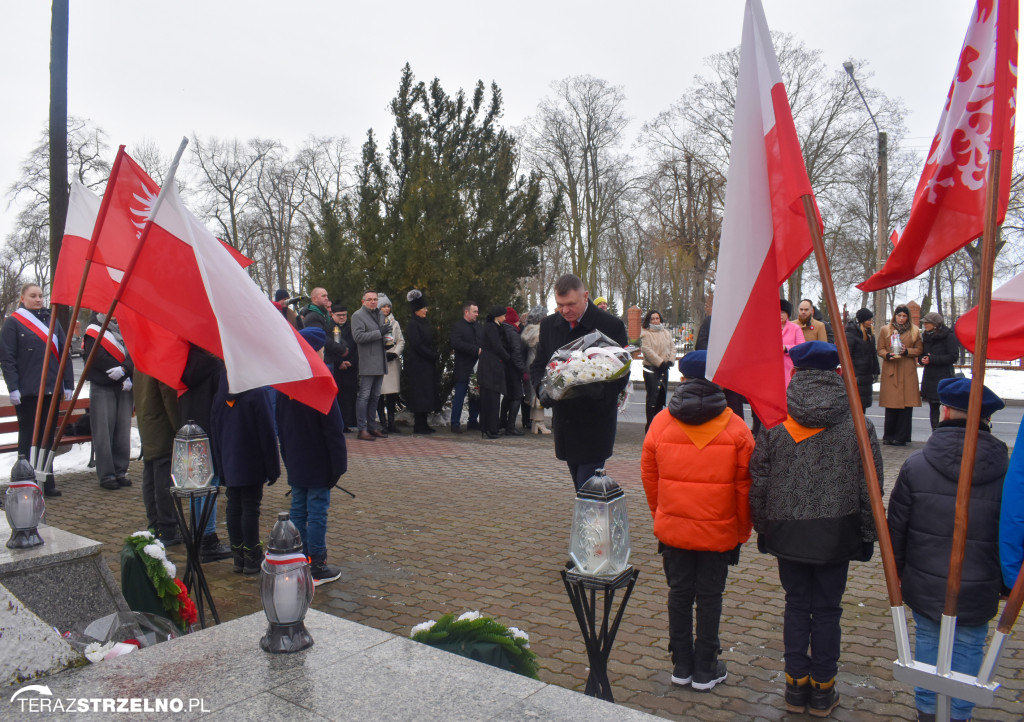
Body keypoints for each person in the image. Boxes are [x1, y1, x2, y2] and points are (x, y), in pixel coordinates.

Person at [750, 341, 882, 717]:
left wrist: (763, 527)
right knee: (827, 609)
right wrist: (868, 533)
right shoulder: (858, 422)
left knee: (796, 605)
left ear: (797, 372)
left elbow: (758, 477)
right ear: (837, 372)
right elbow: (870, 485)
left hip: (787, 530)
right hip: (837, 533)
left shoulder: (775, 419)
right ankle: (823, 689)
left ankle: (795, 686)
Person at [887, 377, 1007, 722]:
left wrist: (896, 575)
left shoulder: (916, 465)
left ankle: (927, 709)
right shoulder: (1008, 470)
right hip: (980, 581)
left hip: (924, 580)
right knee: (969, 644)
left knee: (927, 639)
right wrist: (1008, 582)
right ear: (985, 419)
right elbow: (1013, 530)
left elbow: (896, 529)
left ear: (947, 412)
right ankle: (959, 713)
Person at [641, 350, 753, 691]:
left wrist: (661, 512)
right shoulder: (736, 427)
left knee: (678, 593)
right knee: (710, 596)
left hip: (673, 529)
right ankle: (706, 666)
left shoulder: (661, 422)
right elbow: (745, 487)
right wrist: (741, 530)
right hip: (719, 532)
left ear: (683, 379)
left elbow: (649, 474)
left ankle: (681, 664)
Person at [529, 274, 629, 491]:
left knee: (587, 486)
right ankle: (594, 521)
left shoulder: (610, 326)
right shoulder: (549, 325)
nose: (565, 310)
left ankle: (592, 523)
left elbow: (621, 374)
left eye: (571, 304)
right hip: (565, 422)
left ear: (586, 296)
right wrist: (542, 388)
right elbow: (538, 366)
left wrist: (592, 389)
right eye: (560, 305)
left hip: (595, 422)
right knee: (580, 484)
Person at [277, 326, 348, 585]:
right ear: (317, 350)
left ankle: (298, 559)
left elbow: (281, 426)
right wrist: (338, 465)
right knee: (317, 510)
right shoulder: (321, 381)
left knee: (298, 508)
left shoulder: (286, 383)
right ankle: (317, 564)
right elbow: (333, 429)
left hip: (296, 457)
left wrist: (286, 456)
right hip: (318, 460)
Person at [0, 283, 74, 497]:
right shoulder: (13, 323)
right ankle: (25, 481)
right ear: (22, 298)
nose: (39, 299)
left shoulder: (51, 321)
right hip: (28, 392)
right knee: (29, 437)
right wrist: (13, 387)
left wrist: (67, 384)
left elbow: (64, 351)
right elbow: (8, 358)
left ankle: (46, 479)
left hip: (51, 389)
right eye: (33, 296)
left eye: (41, 295)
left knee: (47, 437)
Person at [210, 369, 280, 574]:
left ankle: (238, 556)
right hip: (252, 461)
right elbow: (267, 432)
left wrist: (220, 466)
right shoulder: (257, 394)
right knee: (250, 507)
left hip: (230, 462)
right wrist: (273, 468)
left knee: (234, 505)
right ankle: (252, 555)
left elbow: (215, 433)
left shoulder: (218, 397)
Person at [179, 345, 232, 563]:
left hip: (190, 430)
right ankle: (208, 539)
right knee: (210, 486)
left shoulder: (184, 363)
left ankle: (196, 533)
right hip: (209, 430)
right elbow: (221, 403)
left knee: (196, 484)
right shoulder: (215, 366)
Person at [82, 312, 134, 491]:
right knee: (103, 431)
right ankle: (107, 474)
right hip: (103, 385)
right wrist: (120, 374)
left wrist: (126, 369)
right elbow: (96, 356)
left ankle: (120, 471)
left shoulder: (128, 326)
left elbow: (135, 350)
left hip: (125, 385)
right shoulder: (94, 329)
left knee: (122, 430)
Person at [134, 369, 181, 546]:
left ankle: (155, 524)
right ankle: (167, 528)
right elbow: (168, 396)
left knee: (152, 474)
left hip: (149, 420)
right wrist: (179, 425)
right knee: (162, 477)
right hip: (160, 423)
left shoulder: (143, 356)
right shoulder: (157, 359)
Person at [877, 304, 923, 446]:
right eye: (899, 315)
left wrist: (907, 351)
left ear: (908, 317)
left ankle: (902, 437)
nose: (901, 318)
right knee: (891, 405)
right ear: (894, 316)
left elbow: (919, 349)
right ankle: (888, 436)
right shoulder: (886, 330)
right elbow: (880, 349)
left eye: (904, 316)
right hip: (891, 369)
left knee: (906, 406)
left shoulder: (914, 331)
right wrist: (887, 355)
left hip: (907, 370)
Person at [351, 289, 390, 441]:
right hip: (368, 361)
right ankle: (362, 428)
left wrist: (387, 338)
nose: (373, 301)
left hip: (380, 360)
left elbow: (382, 334)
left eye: (375, 299)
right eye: (370, 299)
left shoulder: (380, 314)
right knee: (364, 396)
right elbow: (358, 336)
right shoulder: (357, 316)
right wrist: (379, 333)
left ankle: (372, 427)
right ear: (363, 301)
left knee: (375, 396)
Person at [404, 290, 439, 434]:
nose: (426, 310)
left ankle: (424, 423)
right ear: (416, 310)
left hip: (427, 363)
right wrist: (431, 354)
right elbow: (416, 344)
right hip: (418, 364)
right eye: (423, 308)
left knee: (427, 393)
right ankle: (418, 424)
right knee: (420, 393)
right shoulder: (413, 324)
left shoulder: (424, 322)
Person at [919, 311, 960, 431]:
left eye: (927, 323)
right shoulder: (926, 336)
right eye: (924, 323)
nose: (925, 325)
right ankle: (935, 434)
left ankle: (944, 433)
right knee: (933, 408)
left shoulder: (948, 336)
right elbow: (922, 354)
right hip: (930, 377)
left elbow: (953, 356)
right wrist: (923, 359)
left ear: (935, 324)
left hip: (943, 376)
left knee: (944, 409)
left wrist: (933, 359)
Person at [640, 309, 675, 432]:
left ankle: (658, 425)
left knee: (661, 397)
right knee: (652, 398)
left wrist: (670, 360)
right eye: (652, 319)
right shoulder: (645, 333)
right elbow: (647, 350)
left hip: (664, 368)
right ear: (649, 320)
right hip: (651, 369)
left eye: (657, 318)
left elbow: (672, 347)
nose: (655, 320)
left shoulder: (666, 333)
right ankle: (650, 426)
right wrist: (660, 363)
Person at [478, 306, 509, 439]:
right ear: (497, 316)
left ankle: (491, 427)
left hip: (491, 365)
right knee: (490, 398)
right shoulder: (491, 327)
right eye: (503, 315)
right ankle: (489, 428)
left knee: (493, 397)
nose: (505, 318)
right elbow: (497, 346)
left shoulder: (495, 327)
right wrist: (508, 358)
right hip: (490, 366)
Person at [450, 303, 481, 433]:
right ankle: (455, 423)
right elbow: (456, 343)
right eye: (474, 311)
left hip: (476, 368)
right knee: (460, 396)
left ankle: (473, 420)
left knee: (475, 395)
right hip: (463, 367)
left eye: (477, 311)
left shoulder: (479, 327)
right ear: (466, 312)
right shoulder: (458, 327)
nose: (477, 314)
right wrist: (475, 350)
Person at [519, 306, 551, 435]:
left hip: (530, 363)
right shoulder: (540, 332)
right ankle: (539, 423)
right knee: (539, 393)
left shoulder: (528, 331)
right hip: (539, 364)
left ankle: (534, 422)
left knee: (532, 393)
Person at [376, 294, 404, 434]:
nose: (386, 309)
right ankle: (382, 422)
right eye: (383, 306)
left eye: (388, 306)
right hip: (379, 360)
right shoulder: (374, 322)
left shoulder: (395, 323)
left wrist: (395, 353)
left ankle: (391, 422)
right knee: (380, 393)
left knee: (391, 394)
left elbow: (400, 341)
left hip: (392, 361)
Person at [498, 306, 526, 436]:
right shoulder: (513, 333)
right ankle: (511, 426)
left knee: (508, 396)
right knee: (517, 396)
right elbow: (516, 353)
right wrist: (523, 370)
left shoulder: (502, 330)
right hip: (513, 369)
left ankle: (502, 421)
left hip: (505, 368)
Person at [330, 303, 358, 432]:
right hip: (336, 368)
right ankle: (338, 423)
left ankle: (347, 423)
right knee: (338, 396)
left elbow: (357, 347)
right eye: (339, 315)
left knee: (349, 396)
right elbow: (329, 348)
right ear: (332, 315)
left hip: (350, 367)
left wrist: (351, 362)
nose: (342, 317)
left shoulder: (352, 328)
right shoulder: (329, 328)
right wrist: (339, 362)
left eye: (344, 315)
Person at [844, 308, 880, 411]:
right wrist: (852, 375)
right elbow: (847, 357)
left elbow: (873, 354)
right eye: (869, 320)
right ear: (862, 320)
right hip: (856, 377)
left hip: (866, 377)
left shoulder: (869, 335)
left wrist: (875, 371)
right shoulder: (850, 335)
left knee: (862, 407)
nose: (871, 322)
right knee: (854, 407)